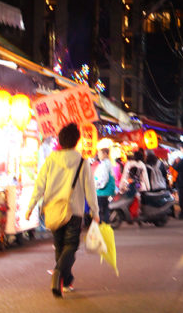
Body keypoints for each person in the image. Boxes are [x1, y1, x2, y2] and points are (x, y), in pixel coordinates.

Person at [25, 123, 99, 297]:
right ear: (77, 141)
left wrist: (31, 207)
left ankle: (65, 281)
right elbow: (90, 189)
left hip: (53, 209)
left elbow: (40, 185)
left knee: (59, 246)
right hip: (74, 211)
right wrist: (95, 211)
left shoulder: (50, 160)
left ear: (60, 140)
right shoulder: (82, 162)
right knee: (71, 245)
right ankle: (59, 272)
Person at [94, 147, 116, 223]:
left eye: (99, 153)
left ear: (105, 154)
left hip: (103, 192)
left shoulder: (105, 165)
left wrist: (96, 186)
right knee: (105, 210)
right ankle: (105, 225)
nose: (98, 155)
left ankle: (102, 226)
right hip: (107, 192)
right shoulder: (107, 163)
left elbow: (104, 179)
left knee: (101, 211)